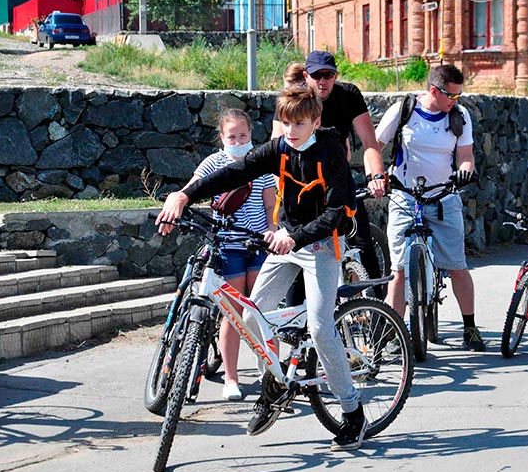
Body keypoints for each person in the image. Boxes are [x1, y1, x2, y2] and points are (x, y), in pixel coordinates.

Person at [156, 85, 368, 451]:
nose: (291, 130)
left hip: (321, 246)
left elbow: (335, 213)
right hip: (286, 242)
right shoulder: (280, 148)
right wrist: (185, 194)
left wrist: (294, 238)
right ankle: (274, 385)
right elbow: (235, 172)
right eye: (285, 122)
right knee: (252, 316)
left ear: (316, 122)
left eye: (299, 123)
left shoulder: (329, 150)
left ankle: (353, 413)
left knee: (319, 328)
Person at [374, 64, 485, 352]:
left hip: (444, 195)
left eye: (459, 95)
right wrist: (377, 175)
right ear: (433, 90)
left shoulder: (460, 115)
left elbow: (466, 156)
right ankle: (395, 331)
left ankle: (470, 327)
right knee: (398, 270)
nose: (455, 101)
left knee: (457, 265)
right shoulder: (404, 110)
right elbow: (374, 145)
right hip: (405, 195)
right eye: (451, 95)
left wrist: (464, 171)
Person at [183, 109, 276, 401]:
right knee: (232, 314)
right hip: (228, 246)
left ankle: (269, 373)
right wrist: (179, 198)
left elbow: (270, 204)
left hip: (257, 245)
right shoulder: (213, 164)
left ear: (251, 135)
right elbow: (193, 187)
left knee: (260, 312)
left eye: (243, 135)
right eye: (232, 136)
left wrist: (273, 230)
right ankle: (231, 378)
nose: (238, 140)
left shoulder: (261, 163)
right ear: (222, 138)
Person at [273, 51, 387, 286]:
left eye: (329, 75)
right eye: (317, 75)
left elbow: (369, 143)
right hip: (302, 187)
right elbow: (277, 151)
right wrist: (281, 192)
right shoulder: (296, 99)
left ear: (336, 75)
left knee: (364, 247)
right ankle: (298, 321)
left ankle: (379, 317)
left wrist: (376, 176)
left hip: (338, 183)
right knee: (297, 256)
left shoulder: (348, 95)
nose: (323, 81)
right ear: (307, 76)